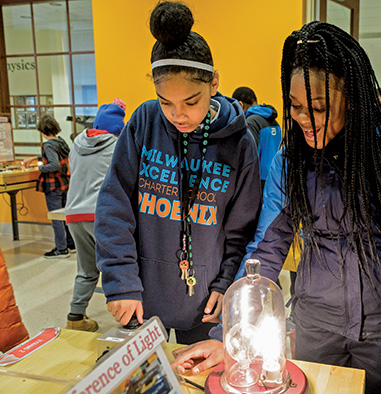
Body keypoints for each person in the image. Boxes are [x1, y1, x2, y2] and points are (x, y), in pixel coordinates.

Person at [173, 22, 381, 394]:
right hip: (317, 328)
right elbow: (265, 250)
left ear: (353, 97)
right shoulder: (290, 161)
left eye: (317, 108)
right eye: (296, 107)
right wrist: (226, 336)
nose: (303, 120)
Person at [94, 1, 261, 344]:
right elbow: (114, 206)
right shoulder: (144, 121)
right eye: (165, 102)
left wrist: (226, 283)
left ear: (214, 83)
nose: (177, 115)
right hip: (140, 295)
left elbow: (242, 229)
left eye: (190, 101)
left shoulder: (240, 142)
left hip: (206, 304)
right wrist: (120, 279)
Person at [64, 98, 126, 332]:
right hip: (101, 214)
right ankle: (126, 318)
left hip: (73, 214)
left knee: (86, 269)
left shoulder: (77, 144)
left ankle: (76, 316)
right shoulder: (115, 145)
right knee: (117, 266)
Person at [23, 114, 75, 258]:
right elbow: (58, 158)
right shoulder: (61, 142)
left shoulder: (47, 145)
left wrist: (38, 168)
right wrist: (36, 158)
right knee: (65, 215)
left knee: (56, 217)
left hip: (53, 185)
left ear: (43, 131)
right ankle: (71, 244)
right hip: (65, 183)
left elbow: (54, 164)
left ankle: (61, 248)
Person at [232, 86, 282, 191]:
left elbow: (247, 153)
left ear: (241, 105)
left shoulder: (251, 122)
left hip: (257, 181)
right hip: (276, 178)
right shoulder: (274, 121)